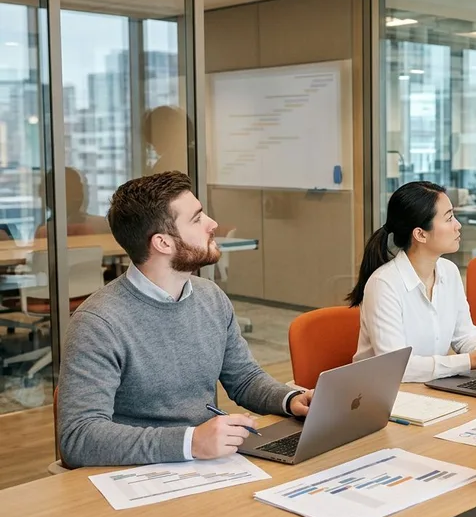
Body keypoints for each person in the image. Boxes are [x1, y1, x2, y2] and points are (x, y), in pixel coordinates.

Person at [59, 171, 313, 468]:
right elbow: (78, 437)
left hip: (206, 464)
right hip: (138, 473)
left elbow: (244, 379)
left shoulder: (210, 297)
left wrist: (290, 399)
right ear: (163, 243)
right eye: (197, 218)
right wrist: (190, 442)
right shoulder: (98, 322)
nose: (212, 224)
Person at [349, 181, 476, 383]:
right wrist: (470, 361)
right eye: (449, 218)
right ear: (420, 234)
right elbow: (397, 367)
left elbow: (464, 337)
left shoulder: (449, 272)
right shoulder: (383, 284)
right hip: (382, 392)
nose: (458, 225)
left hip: (427, 387)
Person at [34, 167, 111, 238]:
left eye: (79, 187)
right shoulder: (44, 232)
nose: (78, 194)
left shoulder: (102, 226)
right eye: (69, 188)